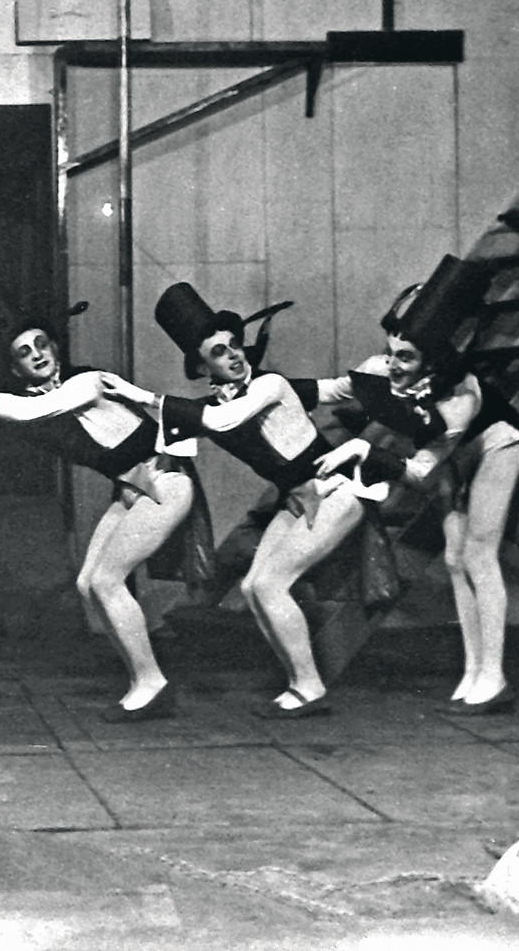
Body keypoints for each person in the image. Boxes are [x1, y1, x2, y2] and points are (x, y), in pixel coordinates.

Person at [101, 283, 380, 720]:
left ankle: (309, 688)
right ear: (202, 366)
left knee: (270, 585)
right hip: (298, 499)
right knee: (253, 587)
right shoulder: (216, 403)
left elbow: (226, 418)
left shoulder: (270, 384)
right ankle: (303, 683)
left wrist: (377, 369)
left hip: (335, 490)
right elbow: (178, 427)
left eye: (234, 344)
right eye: (219, 352)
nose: (234, 354)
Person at [0, 310, 213, 721]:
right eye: (25, 352)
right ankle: (141, 677)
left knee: (106, 580)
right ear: (16, 368)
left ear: (55, 347)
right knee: (88, 583)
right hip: (130, 490)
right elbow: (13, 415)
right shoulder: (36, 404)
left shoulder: (85, 382)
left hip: (165, 480)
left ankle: (152, 684)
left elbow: (27, 413)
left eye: (42, 343)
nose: (37, 354)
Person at [311, 258, 519, 714]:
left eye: (406, 357)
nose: (393, 364)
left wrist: (365, 450)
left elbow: (420, 472)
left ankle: (494, 677)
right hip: (452, 455)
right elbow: (334, 390)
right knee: (453, 560)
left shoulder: (460, 398)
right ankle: (474, 671)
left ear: (432, 359)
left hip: (495, 445)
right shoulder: (384, 368)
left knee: (479, 555)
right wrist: (268, 388)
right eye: (390, 352)